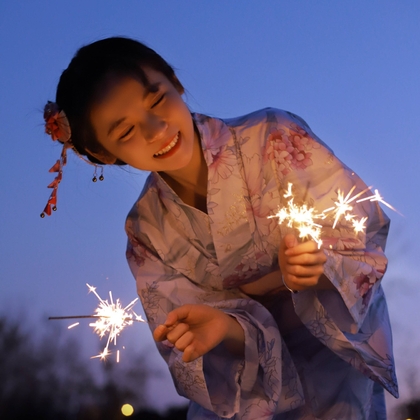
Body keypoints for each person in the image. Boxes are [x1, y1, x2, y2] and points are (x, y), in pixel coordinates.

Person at [42, 37, 398, 419]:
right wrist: (224, 329)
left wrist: (320, 265)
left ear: (175, 83)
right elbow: (186, 337)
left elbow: (356, 226)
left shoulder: (274, 137)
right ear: (103, 153)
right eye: (125, 131)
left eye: (157, 99)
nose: (155, 128)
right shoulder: (146, 232)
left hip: (331, 361)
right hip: (249, 388)